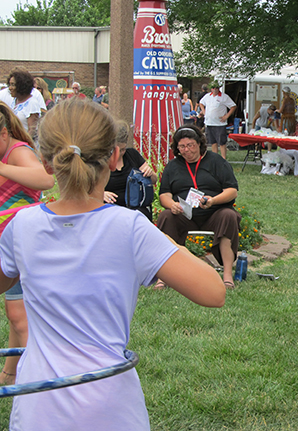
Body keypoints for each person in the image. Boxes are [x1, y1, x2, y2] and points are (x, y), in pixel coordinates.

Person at [0, 98, 225, 430]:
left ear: (47, 164)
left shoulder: (22, 226)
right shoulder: (130, 228)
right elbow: (214, 291)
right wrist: (162, 241)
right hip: (109, 407)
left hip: (38, 410)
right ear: (116, 157)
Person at [0, 102, 54, 386]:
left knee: (19, 315)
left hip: (22, 241)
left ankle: (37, 377)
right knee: (16, 315)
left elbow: (46, 178)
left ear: (4, 133)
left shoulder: (17, 151)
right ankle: (10, 374)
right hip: (10, 241)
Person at [157, 125, 241, 289]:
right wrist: (172, 204)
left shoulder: (216, 161)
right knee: (166, 217)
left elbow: (232, 191)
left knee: (229, 216)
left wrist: (213, 201)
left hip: (214, 213)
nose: (186, 150)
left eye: (190, 145)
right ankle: (164, 276)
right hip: (184, 215)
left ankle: (227, 275)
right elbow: (164, 195)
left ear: (199, 144)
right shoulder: (173, 166)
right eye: (182, 146)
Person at [104, 120, 158, 221]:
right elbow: (87, 188)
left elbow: (154, 180)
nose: (120, 153)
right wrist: (101, 194)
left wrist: (149, 174)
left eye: (123, 149)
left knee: (142, 216)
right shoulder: (101, 160)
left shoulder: (132, 155)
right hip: (111, 207)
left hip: (135, 207)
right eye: (117, 150)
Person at [199, 82, 236, 159]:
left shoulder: (224, 97)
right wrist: (204, 111)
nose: (214, 89)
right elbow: (201, 103)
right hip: (209, 122)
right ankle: (214, 158)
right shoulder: (207, 96)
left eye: (216, 88)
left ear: (219, 88)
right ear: (211, 88)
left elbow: (233, 106)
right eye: (213, 88)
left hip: (219, 123)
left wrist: (226, 116)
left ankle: (223, 158)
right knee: (213, 142)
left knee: (222, 142)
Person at [6, 69, 41, 141]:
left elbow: (32, 130)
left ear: (21, 86)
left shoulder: (32, 103)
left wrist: (23, 144)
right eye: (9, 84)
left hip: (25, 144)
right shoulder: (15, 101)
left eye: (13, 85)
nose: (10, 88)